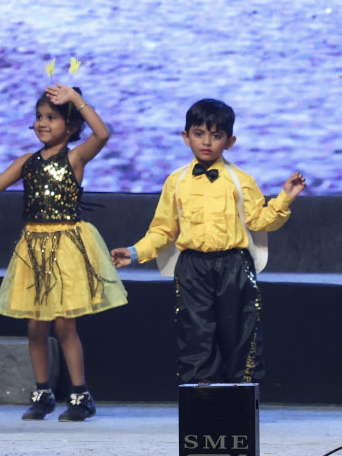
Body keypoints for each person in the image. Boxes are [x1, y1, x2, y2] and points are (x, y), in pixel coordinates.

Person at [111, 97, 306, 383]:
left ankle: (240, 396)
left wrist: (284, 198)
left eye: (216, 135)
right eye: (199, 133)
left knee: (240, 332)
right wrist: (135, 252)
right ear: (185, 136)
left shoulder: (241, 179)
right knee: (195, 333)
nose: (206, 141)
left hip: (234, 266)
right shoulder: (176, 181)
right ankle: (201, 396)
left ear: (229, 141)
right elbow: (163, 229)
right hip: (193, 268)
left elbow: (259, 221)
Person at [0, 84, 123, 421]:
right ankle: (43, 393)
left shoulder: (75, 157)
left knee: (65, 327)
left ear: (70, 126)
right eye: (39, 116)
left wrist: (76, 100)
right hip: (34, 250)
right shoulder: (27, 162)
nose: (42, 122)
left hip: (66, 247)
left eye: (51, 117)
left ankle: (80, 395)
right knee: (36, 328)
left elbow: (102, 134)